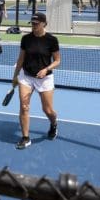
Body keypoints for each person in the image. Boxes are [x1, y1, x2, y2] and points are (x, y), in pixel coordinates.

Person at [11, 12, 60, 150]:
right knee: (24, 106)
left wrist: (46, 69)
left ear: (44, 23)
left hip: (45, 79)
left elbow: (57, 61)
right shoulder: (26, 39)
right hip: (26, 77)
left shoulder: (51, 40)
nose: (33, 26)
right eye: (32, 23)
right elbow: (21, 59)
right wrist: (15, 76)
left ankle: (54, 124)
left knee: (48, 110)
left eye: (36, 24)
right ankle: (25, 138)